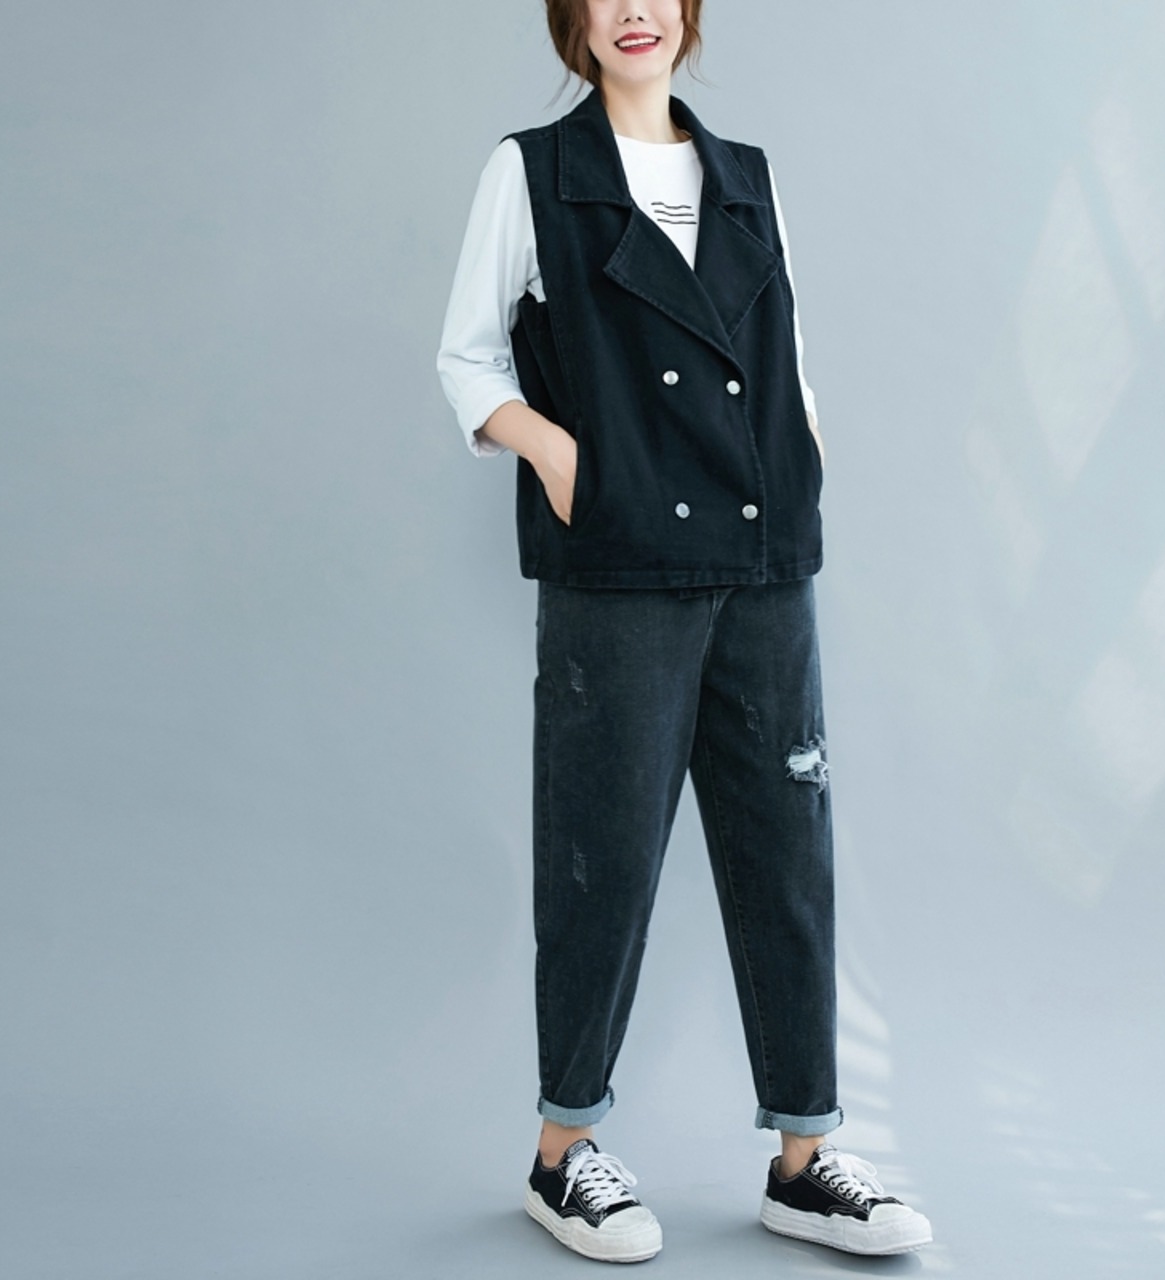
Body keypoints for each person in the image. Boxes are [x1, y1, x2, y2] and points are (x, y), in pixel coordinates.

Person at [437, 0, 933, 1263]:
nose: (633, 11)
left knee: (785, 852)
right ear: (573, 18)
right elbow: (467, 360)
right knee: (600, 851)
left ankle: (805, 1158)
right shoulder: (533, 171)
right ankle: (563, 1152)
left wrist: (805, 457)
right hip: (620, 560)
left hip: (764, 555)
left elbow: (784, 355)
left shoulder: (745, 174)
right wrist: (559, 455)